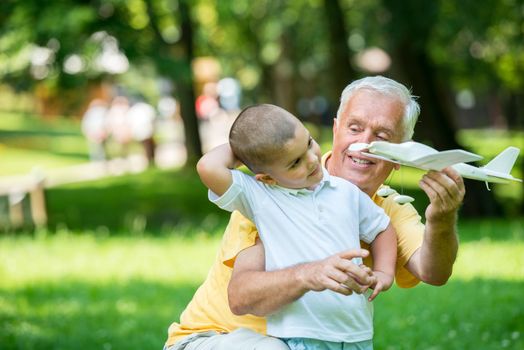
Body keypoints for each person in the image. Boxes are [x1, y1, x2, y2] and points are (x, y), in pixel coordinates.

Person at [164, 76, 465, 349]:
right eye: (354, 128)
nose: (364, 144)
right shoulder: (273, 192)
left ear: (401, 154)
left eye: (382, 136)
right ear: (335, 130)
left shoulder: (387, 209)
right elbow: (241, 297)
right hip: (212, 338)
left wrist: (442, 217)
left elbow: (433, 272)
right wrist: (254, 148)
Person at [196, 104, 397, 349]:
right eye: (295, 162)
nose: (312, 160)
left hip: (356, 330)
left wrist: (384, 273)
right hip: (301, 333)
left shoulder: (345, 192)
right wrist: (253, 146)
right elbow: (208, 167)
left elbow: (382, 228)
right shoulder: (261, 196)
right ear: (268, 177)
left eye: (309, 143)